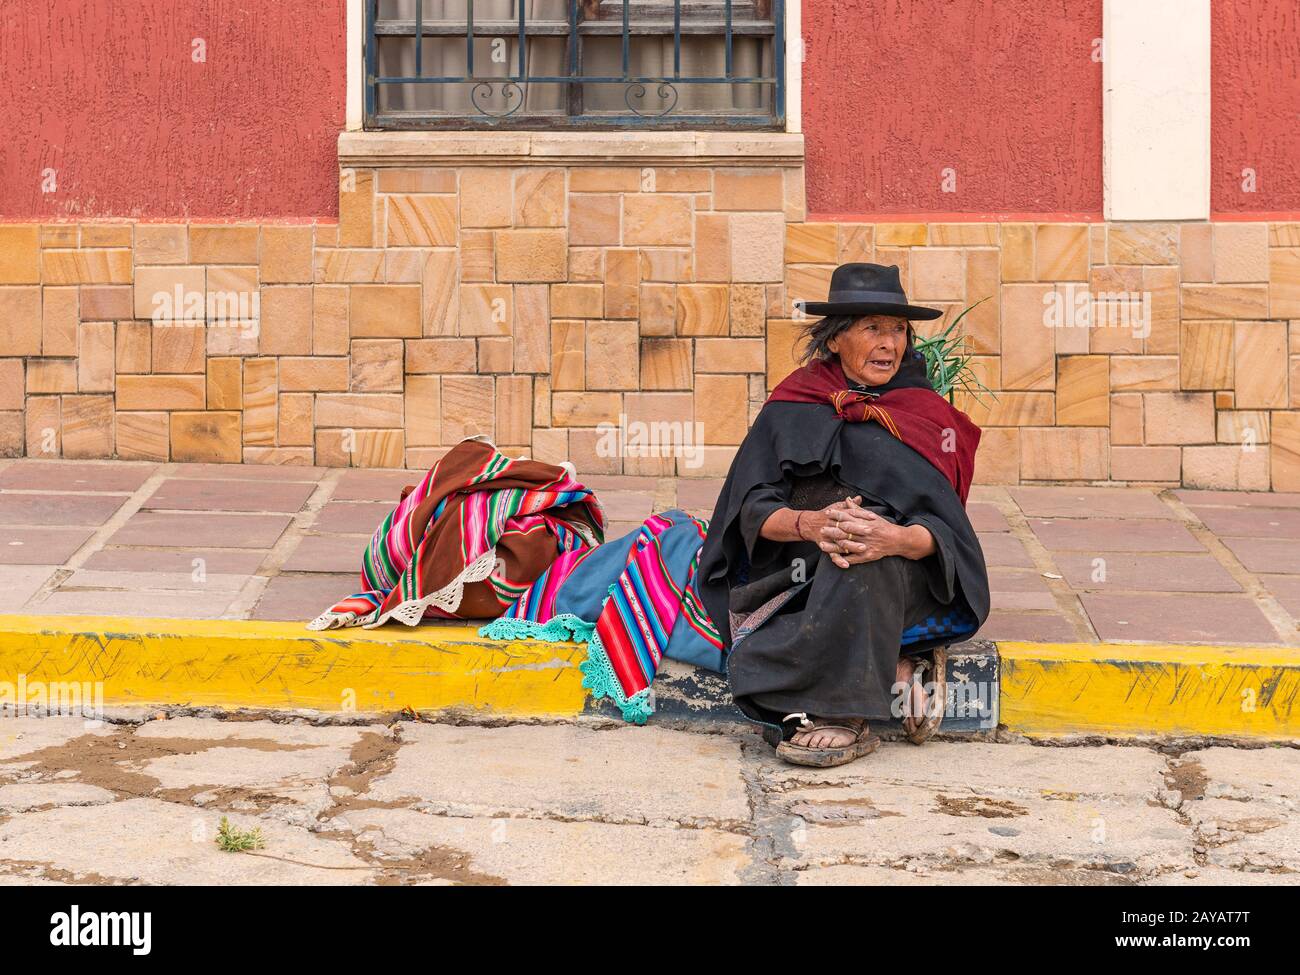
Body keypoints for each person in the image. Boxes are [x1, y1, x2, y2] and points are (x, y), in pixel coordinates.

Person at [697, 262, 990, 768]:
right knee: (836, 564)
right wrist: (810, 524)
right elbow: (747, 510)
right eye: (871, 327)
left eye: (897, 329)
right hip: (797, 575)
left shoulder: (925, 414)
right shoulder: (794, 403)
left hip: (898, 576)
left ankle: (841, 713)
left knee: (858, 561)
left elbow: (947, 537)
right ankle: (895, 662)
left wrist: (892, 539)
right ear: (835, 339)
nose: (888, 343)